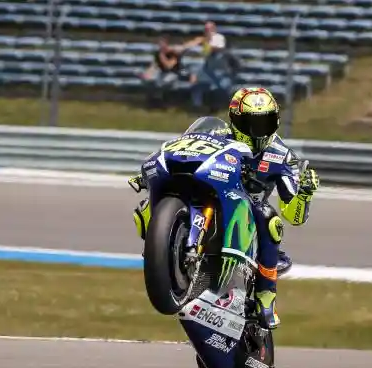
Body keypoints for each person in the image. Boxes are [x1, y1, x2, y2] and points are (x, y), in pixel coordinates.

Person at [127, 87, 320, 330]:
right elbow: (190, 148)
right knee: (144, 208)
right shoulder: (218, 134)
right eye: (250, 123)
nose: (258, 131)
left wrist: (304, 193)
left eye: (265, 123)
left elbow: (294, 216)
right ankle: (164, 253)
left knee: (269, 218)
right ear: (235, 121)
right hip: (212, 191)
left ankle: (266, 298)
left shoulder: (282, 156)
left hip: (248, 220)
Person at [140, 36, 185, 107]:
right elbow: (154, 65)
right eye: (159, 44)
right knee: (149, 81)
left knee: (162, 83)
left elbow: (168, 66)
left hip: (173, 74)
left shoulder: (174, 54)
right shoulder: (157, 53)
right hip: (162, 73)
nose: (161, 46)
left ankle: (163, 100)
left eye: (162, 44)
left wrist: (162, 56)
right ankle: (153, 100)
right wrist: (147, 73)